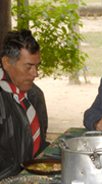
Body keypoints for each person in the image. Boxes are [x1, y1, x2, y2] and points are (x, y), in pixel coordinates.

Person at [0, 29, 48, 179]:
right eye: (28, 67)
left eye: (37, 66)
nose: (35, 73)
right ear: (6, 62)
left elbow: (37, 145)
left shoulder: (34, 95)